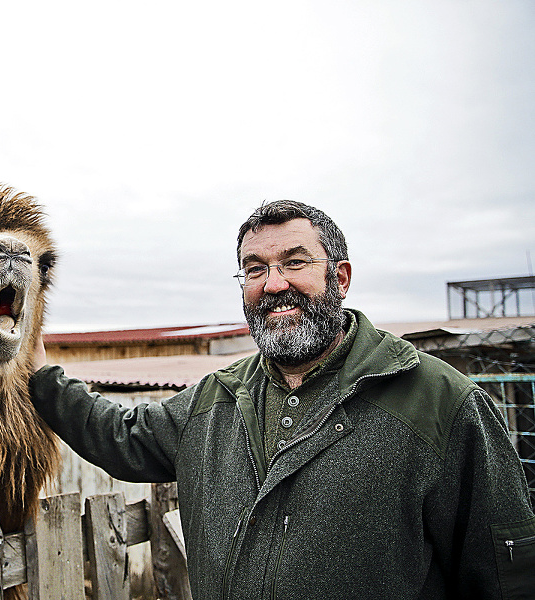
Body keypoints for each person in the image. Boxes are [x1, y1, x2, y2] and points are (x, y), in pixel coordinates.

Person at [29, 200, 535, 599]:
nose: (274, 285)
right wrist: (40, 374)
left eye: (295, 263)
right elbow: (121, 437)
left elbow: (505, 576)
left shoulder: (440, 404)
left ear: (339, 278)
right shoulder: (218, 400)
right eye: (254, 269)